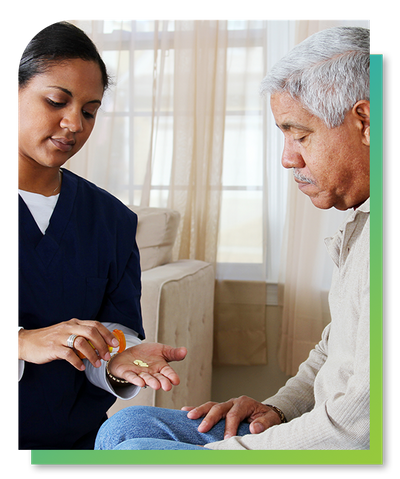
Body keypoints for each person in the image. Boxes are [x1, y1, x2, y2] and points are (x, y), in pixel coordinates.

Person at [95, 26, 371, 450]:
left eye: (299, 134)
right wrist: (275, 411)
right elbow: (335, 352)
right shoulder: (364, 226)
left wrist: (220, 454)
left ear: (366, 121)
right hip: (330, 431)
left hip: (351, 447)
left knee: (136, 451)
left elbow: (358, 431)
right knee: (124, 428)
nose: (287, 157)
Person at [15, 20, 187, 451]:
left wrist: (116, 359)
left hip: (77, 442)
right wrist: (22, 342)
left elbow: (115, 331)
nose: (74, 123)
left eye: (89, 111)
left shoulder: (111, 220)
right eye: (57, 101)